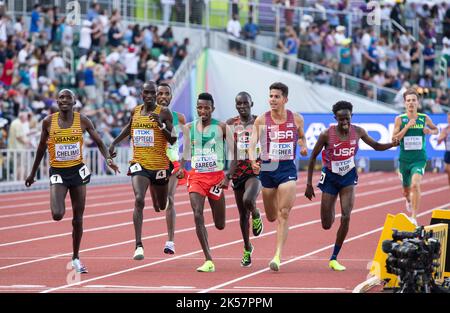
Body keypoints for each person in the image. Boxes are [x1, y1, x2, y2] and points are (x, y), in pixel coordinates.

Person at [25, 89, 120, 273]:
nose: (65, 100)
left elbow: (100, 142)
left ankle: (76, 257)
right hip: (59, 172)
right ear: (57, 101)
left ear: (74, 101)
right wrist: (32, 173)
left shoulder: (83, 120)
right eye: (61, 97)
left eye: (68, 97)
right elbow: (41, 149)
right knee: (57, 214)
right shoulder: (48, 122)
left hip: (78, 172)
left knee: (78, 219)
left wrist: (109, 160)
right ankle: (57, 198)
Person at [304, 101, 399, 271]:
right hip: (330, 178)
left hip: (348, 178)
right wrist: (308, 184)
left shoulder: (358, 132)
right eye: (341, 119)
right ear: (335, 118)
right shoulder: (327, 134)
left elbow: (376, 146)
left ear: (351, 117)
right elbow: (312, 158)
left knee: (346, 216)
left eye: (347, 119)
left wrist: (392, 144)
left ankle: (334, 257)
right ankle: (331, 204)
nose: (344, 123)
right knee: (326, 224)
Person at [109, 81, 176, 260]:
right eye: (146, 92)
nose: (149, 96)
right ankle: (138, 245)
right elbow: (129, 127)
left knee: (161, 206)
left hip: (159, 165)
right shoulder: (136, 111)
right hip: (139, 163)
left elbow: (173, 140)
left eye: (152, 93)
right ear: (141, 93)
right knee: (139, 199)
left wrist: (161, 126)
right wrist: (115, 142)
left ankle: (160, 196)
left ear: (156, 94)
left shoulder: (164, 112)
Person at [248, 82, 308, 272]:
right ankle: (261, 215)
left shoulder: (296, 119)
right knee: (272, 216)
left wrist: (303, 145)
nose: (272, 100)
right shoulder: (261, 120)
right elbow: (251, 144)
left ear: (285, 99)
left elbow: (301, 137)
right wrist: (252, 160)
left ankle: (277, 256)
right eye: (271, 96)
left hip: (287, 169)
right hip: (267, 168)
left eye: (276, 96)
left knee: (284, 213)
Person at [176, 93, 229, 272]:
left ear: (212, 109)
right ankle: (208, 260)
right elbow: (186, 152)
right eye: (200, 107)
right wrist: (182, 167)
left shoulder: (222, 127)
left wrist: (227, 176)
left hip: (216, 178)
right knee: (197, 213)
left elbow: (235, 153)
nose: (203, 111)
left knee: (220, 225)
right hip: (197, 177)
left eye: (206, 107)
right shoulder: (189, 128)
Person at [225, 92, 263, 267]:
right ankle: (248, 247)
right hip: (238, 172)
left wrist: (262, 163)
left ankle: (256, 213)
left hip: (254, 172)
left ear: (251, 103)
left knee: (249, 200)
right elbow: (233, 154)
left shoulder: (259, 122)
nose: (242, 106)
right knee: (242, 216)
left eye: (245, 103)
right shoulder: (231, 124)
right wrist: (228, 175)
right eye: (238, 103)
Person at [392, 89, 439, 226]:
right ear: (405, 103)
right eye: (408, 100)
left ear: (417, 102)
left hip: (419, 159)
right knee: (406, 191)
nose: (411, 103)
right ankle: (408, 200)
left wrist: (430, 131)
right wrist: (407, 126)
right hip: (405, 160)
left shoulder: (424, 118)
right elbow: (394, 139)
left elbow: (436, 129)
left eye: (413, 100)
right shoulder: (400, 119)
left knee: (415, 185)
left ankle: (414, 217)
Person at [156, 82, 187, 254]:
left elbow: (188, 138)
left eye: (167, 94)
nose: (163, 97)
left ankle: (170, 241)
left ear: (171, 96)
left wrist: (182, 162)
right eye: (160, 93)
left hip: (172, 161)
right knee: (158, 204)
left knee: (170, 199)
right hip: (153, 162)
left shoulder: (179, 117)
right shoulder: (146, 116)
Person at [436, 112, 450, 186]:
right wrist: (442, 137)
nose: (449, 119)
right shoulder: (445, 129)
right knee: (447, 170)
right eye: (448, 118)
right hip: (448, 152)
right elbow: (438, 142)